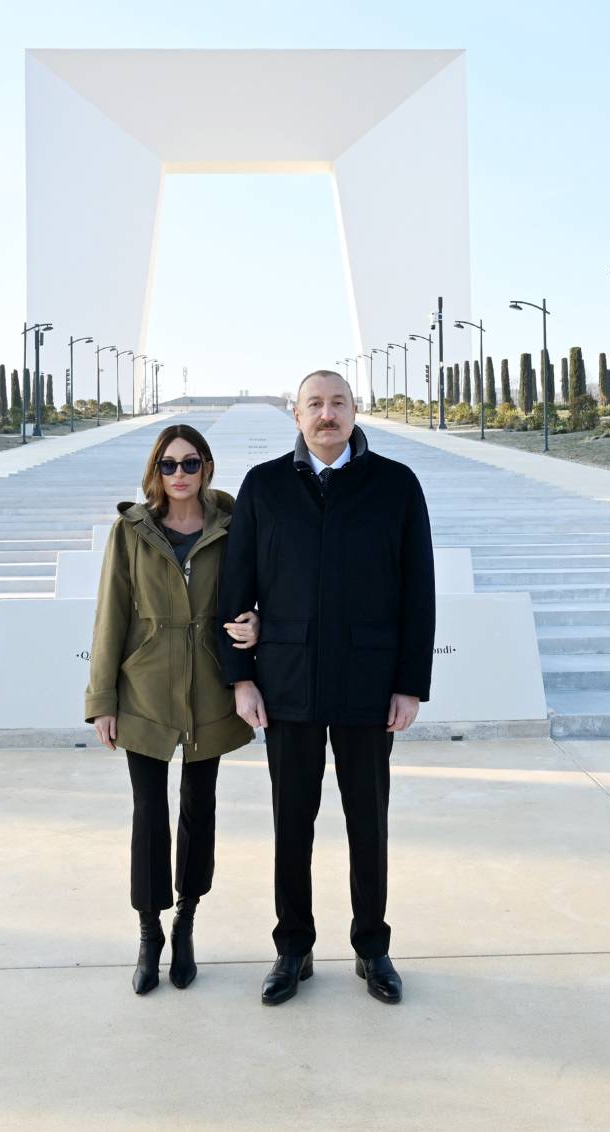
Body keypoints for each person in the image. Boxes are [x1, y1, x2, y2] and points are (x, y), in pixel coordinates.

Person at [218, 371, 435, 1006]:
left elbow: (418, 592)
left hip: (369, 685)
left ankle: (373, 947)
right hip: (287, 685)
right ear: (296, 415)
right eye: (315, 404)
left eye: (338, 402)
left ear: (355, 410)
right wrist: (240, 678)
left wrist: (410, 685)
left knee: (369, 822)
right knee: (292, 823)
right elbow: (235, 591)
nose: (327, 414)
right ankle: (293, 948)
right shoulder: (263, 486)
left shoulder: (396, 485)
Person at [85, 424, 260, 995]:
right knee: (148, 811)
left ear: (206, 466)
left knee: (198, 808)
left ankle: (185, 920)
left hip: (210, 686)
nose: (179, 474)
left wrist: (258, 623)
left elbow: (257, 591)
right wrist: (102, 699)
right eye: (168, 464)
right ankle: (149, 932)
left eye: (189, 463)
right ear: (154, 470)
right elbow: (110, 615)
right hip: (143, 689)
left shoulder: (232, 527)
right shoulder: (131, 530)